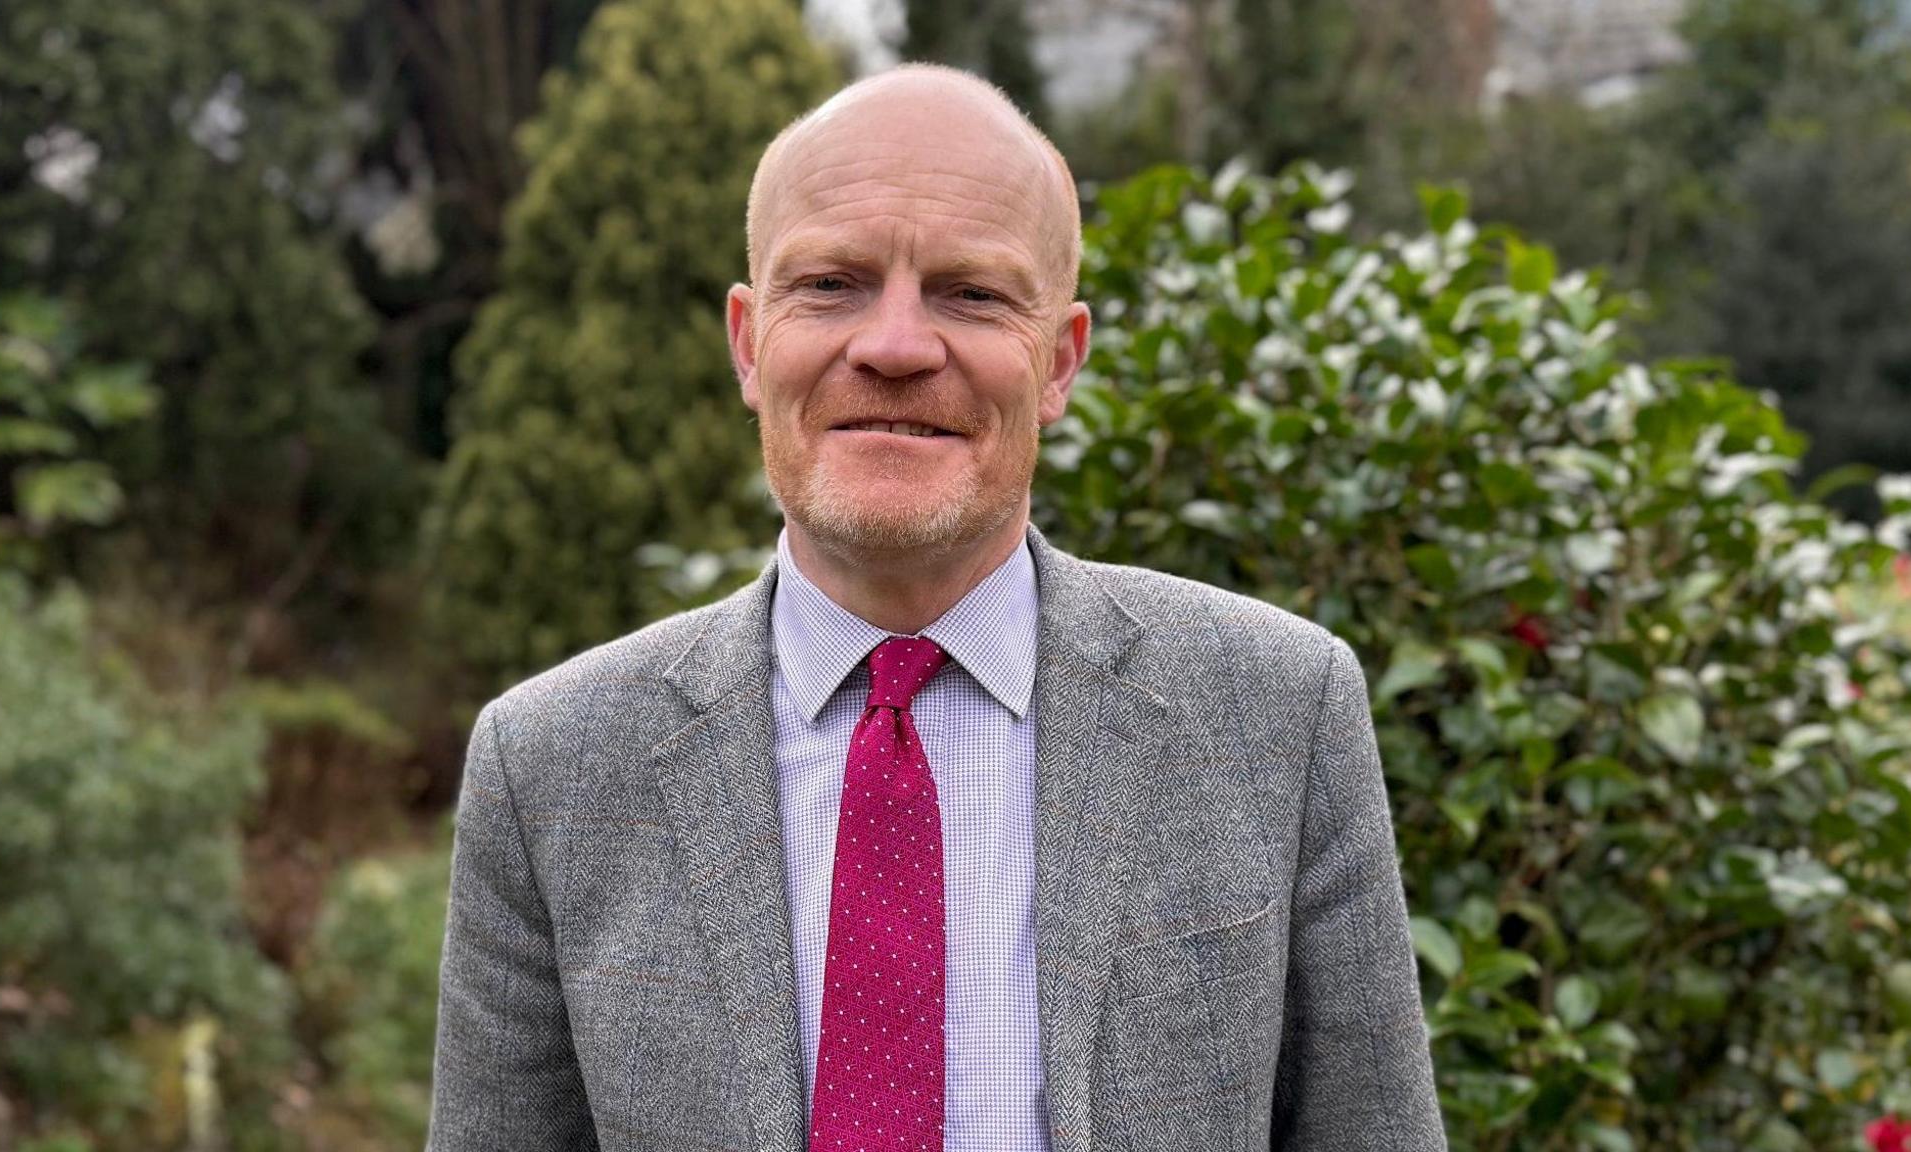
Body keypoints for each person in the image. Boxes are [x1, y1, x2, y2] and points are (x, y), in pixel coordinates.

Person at [426, 64, 1446, 1152]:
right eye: (831, 284)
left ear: (1058, 363)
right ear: (748, 343)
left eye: (972, 293)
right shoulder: (550, 767)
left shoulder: (1280, 712)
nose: (896, 346)